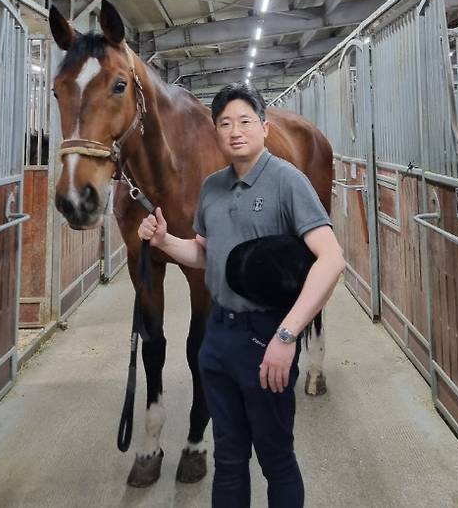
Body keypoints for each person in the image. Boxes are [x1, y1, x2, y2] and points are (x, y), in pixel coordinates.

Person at [137, 82, 345, 508]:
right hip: (218, 339)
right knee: (229, 459)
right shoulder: (211, 187)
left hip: (266, 335)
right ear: (215, 131)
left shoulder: (290, 181)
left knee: (275, 458)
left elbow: (331, 260)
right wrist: (163, 241)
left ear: (264, 128)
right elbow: (204, 255)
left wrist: (288, 337)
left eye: (245, 121)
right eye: (225, 123)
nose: (235, 131)